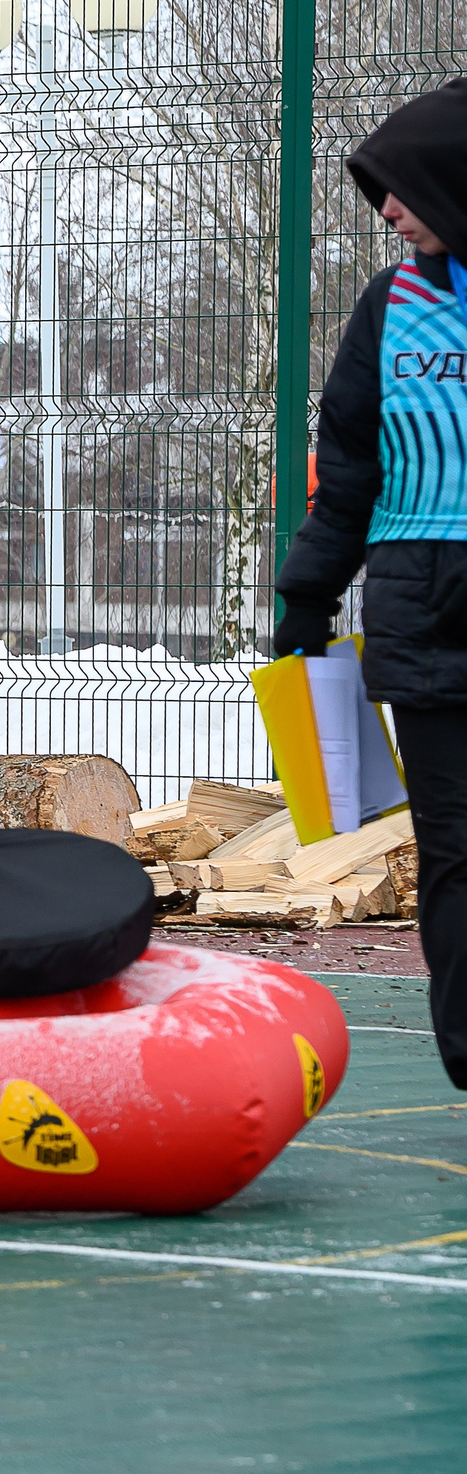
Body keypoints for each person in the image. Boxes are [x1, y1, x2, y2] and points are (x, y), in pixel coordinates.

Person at [276, 78, 467, 1083]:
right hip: (423, 619)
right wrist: (306, 597)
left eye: (402, 188)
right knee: (454, 850)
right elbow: (347, 467)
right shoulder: (389, 309)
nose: (387, 210)